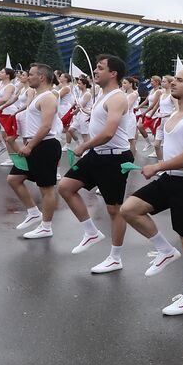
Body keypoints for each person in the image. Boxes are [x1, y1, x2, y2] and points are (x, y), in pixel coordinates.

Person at [119, 69, 183, 314]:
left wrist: (157, 166)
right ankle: (164, 250)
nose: (173, 82)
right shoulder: (175, 113)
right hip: (169, 179)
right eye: (173, 79)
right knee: (129, 209)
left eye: (179, 80)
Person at [59, 55, 135, 273]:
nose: (95, 71)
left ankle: (115, 257)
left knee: (114, 209)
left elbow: (109, 132)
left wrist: (84, 146)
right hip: (97, 154)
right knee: (65, 187)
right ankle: (91, 232)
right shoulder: (101, 95)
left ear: (113, 74)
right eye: (95, 67)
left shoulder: (118, 97)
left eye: (100, 68)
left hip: (114, 157)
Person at [9, 65, 64, 239]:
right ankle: (33, 213)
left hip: (45, 146)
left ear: (41, 77)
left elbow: (46, 126)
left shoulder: (48, 97)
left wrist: (30, 145)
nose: (27, 77)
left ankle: (46, 226)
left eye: (31, 74)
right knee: (14, 179)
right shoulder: (37, 95)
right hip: (35, 145)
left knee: (46, 189)